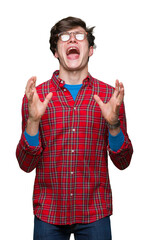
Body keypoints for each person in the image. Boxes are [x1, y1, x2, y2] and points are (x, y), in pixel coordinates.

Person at [16, 16, 133, 240]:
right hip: (48, 213)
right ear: (55, 51)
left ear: (90, 50)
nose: (72, 39)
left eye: (79, 36)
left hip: (94, 212)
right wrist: (33, 121)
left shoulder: (110, 96)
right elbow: (25, 164)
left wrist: (114, 124)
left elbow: (123, 162)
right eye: (64, 37)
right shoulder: (35, 97)